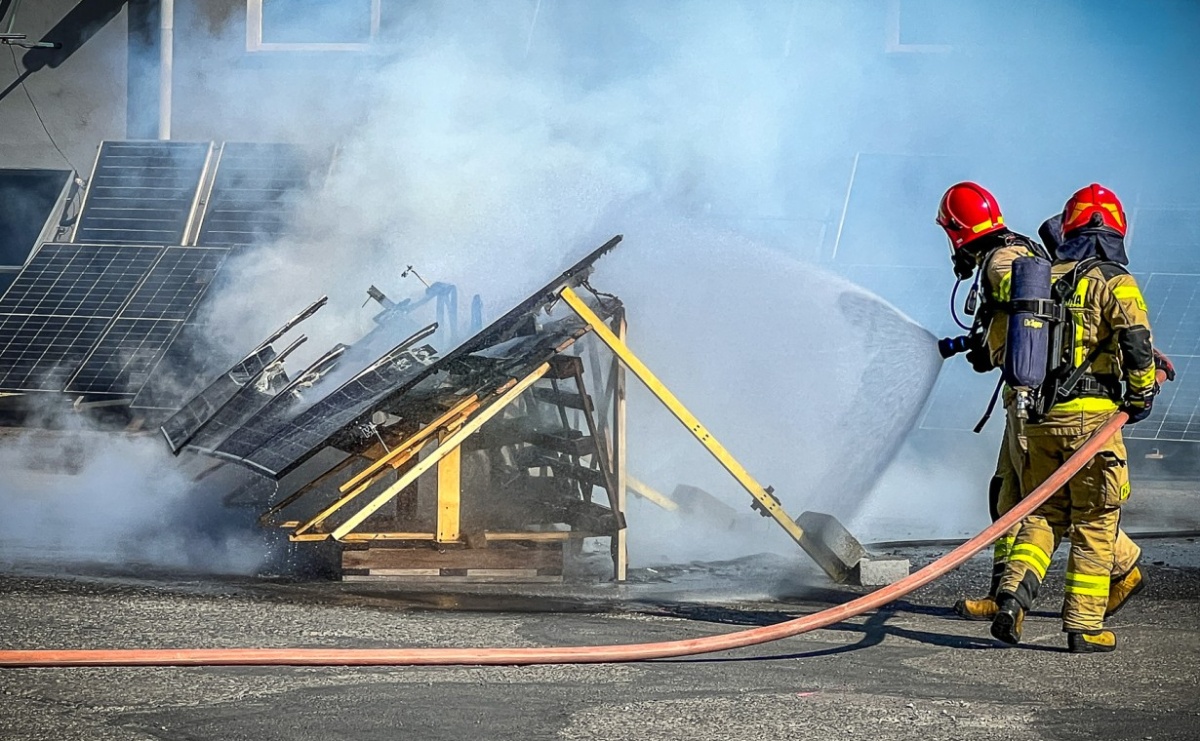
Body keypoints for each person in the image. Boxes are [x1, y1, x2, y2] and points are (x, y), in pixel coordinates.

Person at [935, 183, 1143, 622]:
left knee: (1044, 500)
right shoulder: (1017, 249)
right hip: (1031, 396)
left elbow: (1033, 314)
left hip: (1036, 398)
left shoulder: (1000, 263)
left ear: (957, 230)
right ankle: (1002, 592)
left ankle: (1120, 569)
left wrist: (993, 350)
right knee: (1011, 496)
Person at [990, 183, 1156, 653]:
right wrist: (1141, 395)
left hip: (1040, 419)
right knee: (1096, 519)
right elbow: (1136, 342)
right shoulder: (1113, 280)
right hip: (1093, 422)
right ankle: (1083, 625)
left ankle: (1013, 601)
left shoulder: (1042, 280)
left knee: (1043, 513)